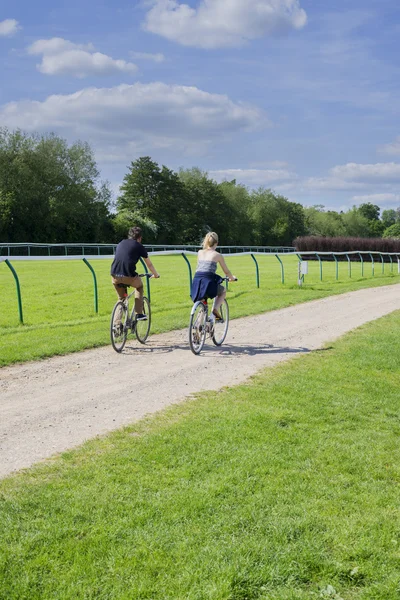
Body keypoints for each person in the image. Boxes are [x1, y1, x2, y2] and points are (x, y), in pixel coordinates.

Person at [111, 226, 159, 320]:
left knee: (121, 299)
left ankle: (116, 325)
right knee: (139, 286)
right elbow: (149, 264)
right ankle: (139, 314)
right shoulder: (139, 246)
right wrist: (156, 275)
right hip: (128, 276)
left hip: (114, 275)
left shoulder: (121, 243)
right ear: (140, 238)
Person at [190, 231, 236, 319]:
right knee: (223, 291)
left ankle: (198, 325)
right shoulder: (217, 255)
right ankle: (215, 309)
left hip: (197, 282)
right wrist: (232, 278)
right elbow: (226, 271)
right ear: (217, 243)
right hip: (208, 282)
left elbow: (201, 269)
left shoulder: (200, 252)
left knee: (203, 301)